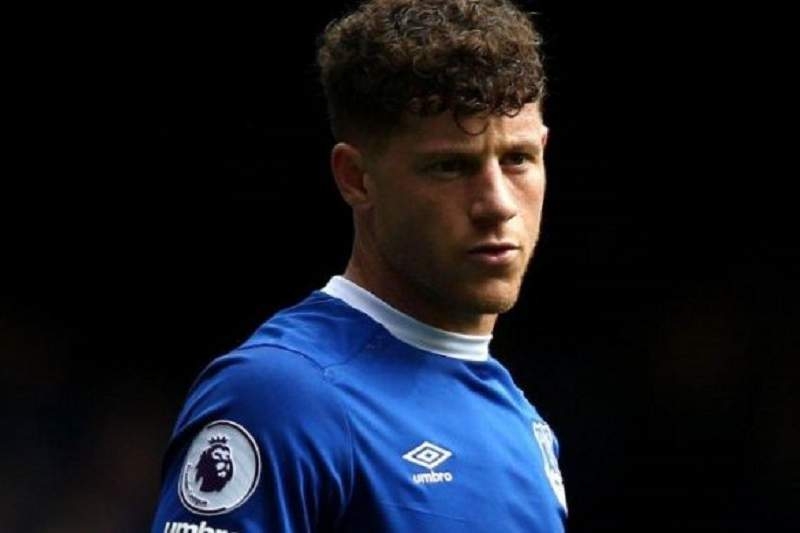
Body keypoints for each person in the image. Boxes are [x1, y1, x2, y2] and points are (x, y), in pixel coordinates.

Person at [150, 0, 566, 531]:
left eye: (517, 159)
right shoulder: (280, 397)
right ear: (355, 177)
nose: (497, 203)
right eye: (450, 166)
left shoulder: (523, 423)